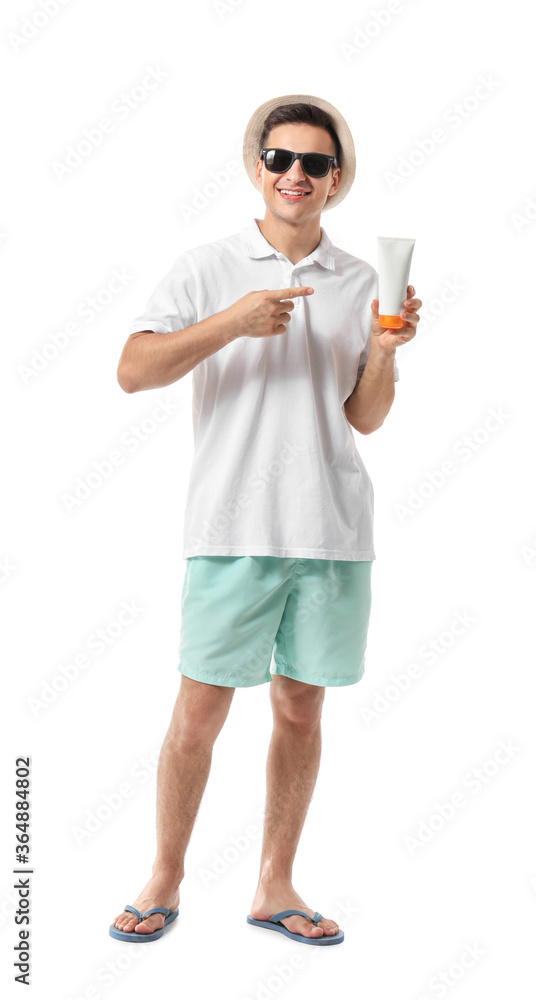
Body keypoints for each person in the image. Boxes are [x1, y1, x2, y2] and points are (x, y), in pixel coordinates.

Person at [109, 93, 421, 947]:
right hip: (231, 528)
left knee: (300, 712)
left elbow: (365, 418)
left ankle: (274, 885)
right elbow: (132, 370)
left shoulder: (359, 280)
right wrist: (233, 322)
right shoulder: (208, 266)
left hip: (330, 530)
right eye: (281, 158)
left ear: (336, 178)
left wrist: (384, 350)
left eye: (315, 163)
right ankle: (164, 876)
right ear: (257, 168)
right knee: (196, 716)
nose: (296, 175)